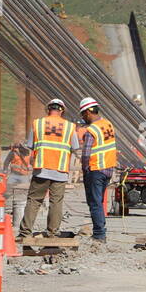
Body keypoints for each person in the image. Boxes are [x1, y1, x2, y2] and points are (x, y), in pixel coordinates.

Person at [17, 99, 77, 239]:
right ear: (62, 110)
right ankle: (53, 233)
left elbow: (31, 145)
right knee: (56, 202)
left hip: (41, 169)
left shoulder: (37, 123)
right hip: (60, 170)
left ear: (48, 109)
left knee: (34, 200)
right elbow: (75, 147)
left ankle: (25, 233)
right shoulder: (69, 126)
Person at [77, 97, 118, 243]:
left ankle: (99, 234)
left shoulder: (91, 130)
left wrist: (84, 170)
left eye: (83, 114)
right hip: (108, 168)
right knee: (98, 202)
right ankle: (100, 230)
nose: (83, 117)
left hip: (96, 169)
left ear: (88, 111)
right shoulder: (108, 124)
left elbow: (86, 154)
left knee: (94, 202)